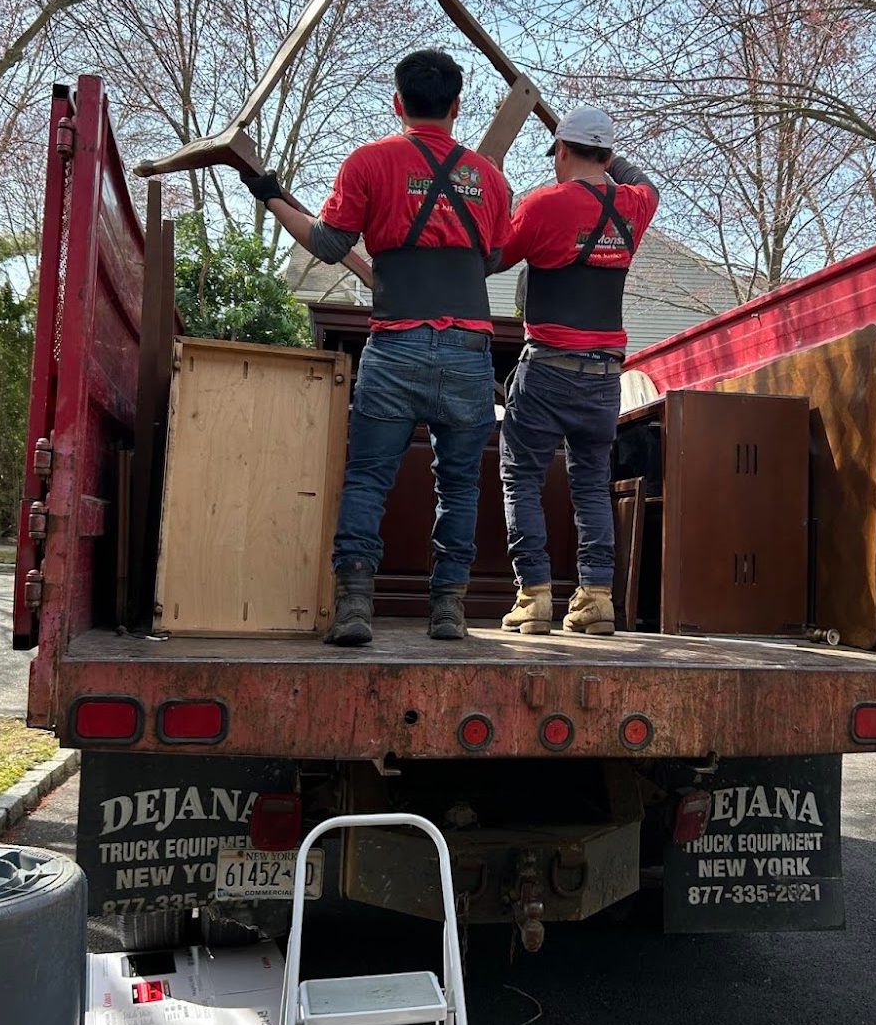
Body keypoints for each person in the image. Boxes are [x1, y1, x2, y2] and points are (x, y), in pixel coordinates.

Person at [242, 49, 511, 647]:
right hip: (468, 348)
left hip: (396, 346)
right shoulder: (489, 179)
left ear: (398, 102)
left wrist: (272, 196)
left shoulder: (370, 162)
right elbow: (492, 256)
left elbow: (331, 243)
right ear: (456, 106)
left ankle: (355, 607)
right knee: (460, 486)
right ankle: (448, 610)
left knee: (367, 481)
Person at [497, 105, 658, 636]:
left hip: (546, 368)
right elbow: (642, 181)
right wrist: (609, 157)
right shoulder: (635, 206)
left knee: (521, 476)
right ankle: (596, 599)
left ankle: (534, 597)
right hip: (604, 378)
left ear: (562, 150)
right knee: (591, 484)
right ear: (607, 155)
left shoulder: (544, 204)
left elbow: (493, 257)